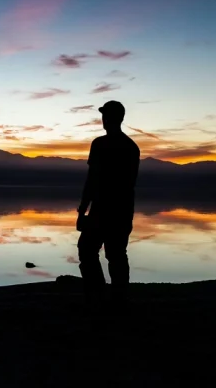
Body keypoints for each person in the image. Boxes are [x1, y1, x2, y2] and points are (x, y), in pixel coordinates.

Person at [76, 100, 140, 302]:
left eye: (106, 116)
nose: (103, 119)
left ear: (116, 118)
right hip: (120, 209)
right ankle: (112, 297)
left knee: (96, 252)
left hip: (106, 210)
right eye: (103, 115)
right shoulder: (131, 147)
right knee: (112, 254)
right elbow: (127, 183)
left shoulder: (102, 145)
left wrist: (83, 210)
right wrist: (83, 210)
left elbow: (92, 180)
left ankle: (102, 295)